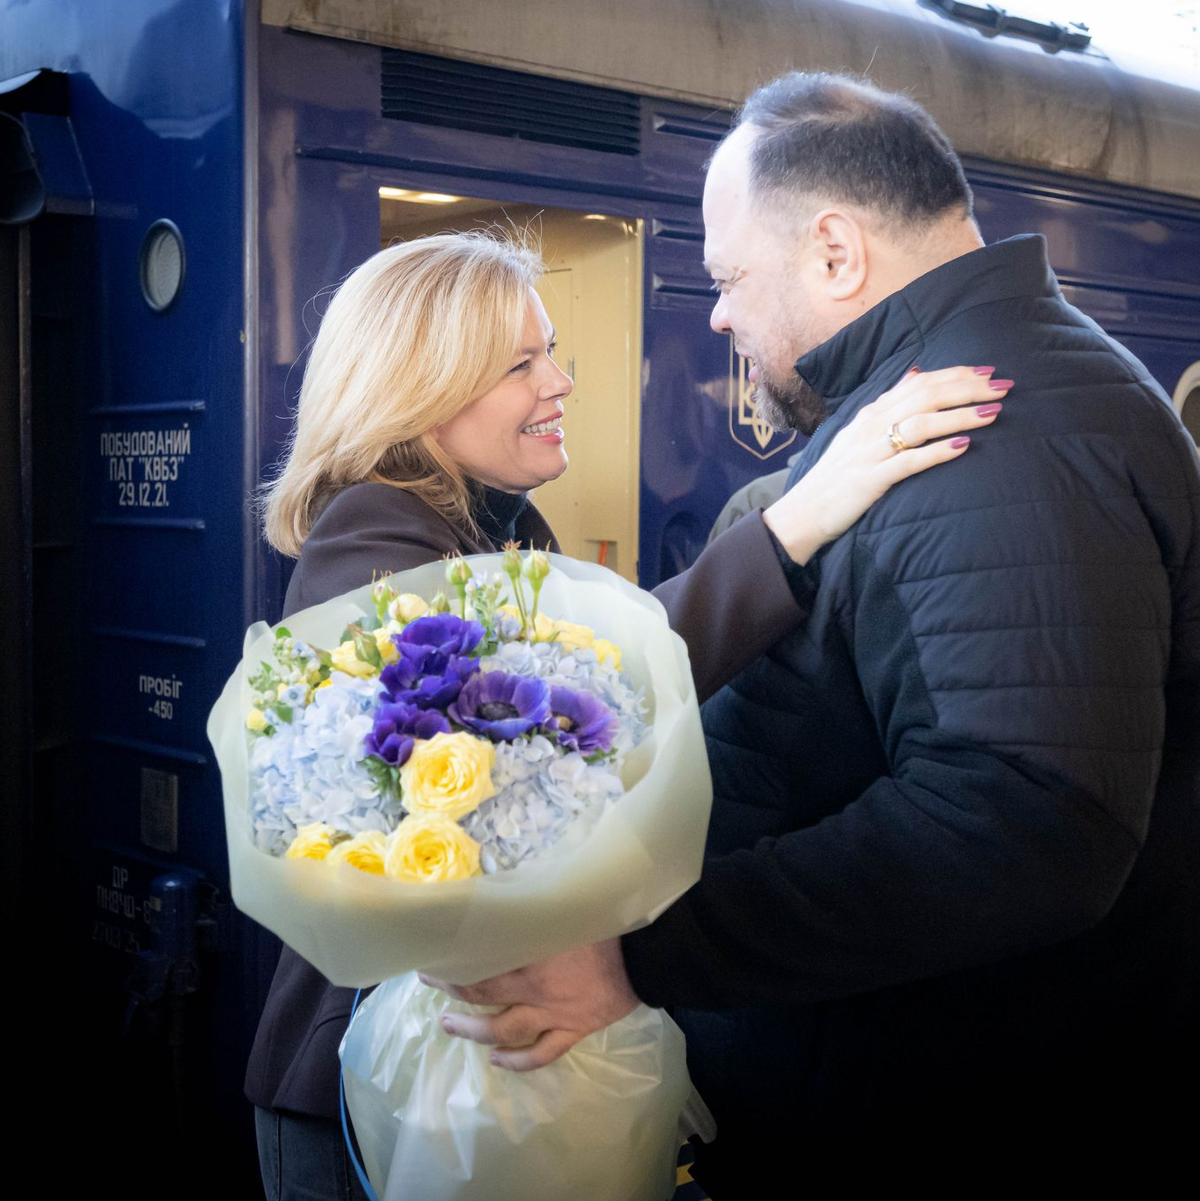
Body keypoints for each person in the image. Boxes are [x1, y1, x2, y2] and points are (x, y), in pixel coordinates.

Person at [429, 75, 1200, 1178]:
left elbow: (1023, 820)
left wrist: (646, 953)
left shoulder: (989, 431)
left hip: (953, 1112)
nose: (718, 314)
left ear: (836, 252)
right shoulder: (954, 397)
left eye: (729, 276)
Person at [243, 230, 1002, 1198]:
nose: (560, 381)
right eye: (522, 363)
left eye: (552, 351)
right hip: (373, 1088)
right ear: (421, 388)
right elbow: (560, 703)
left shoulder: (492, 524)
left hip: (452, 1078)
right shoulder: (374, 528)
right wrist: (802, 518)